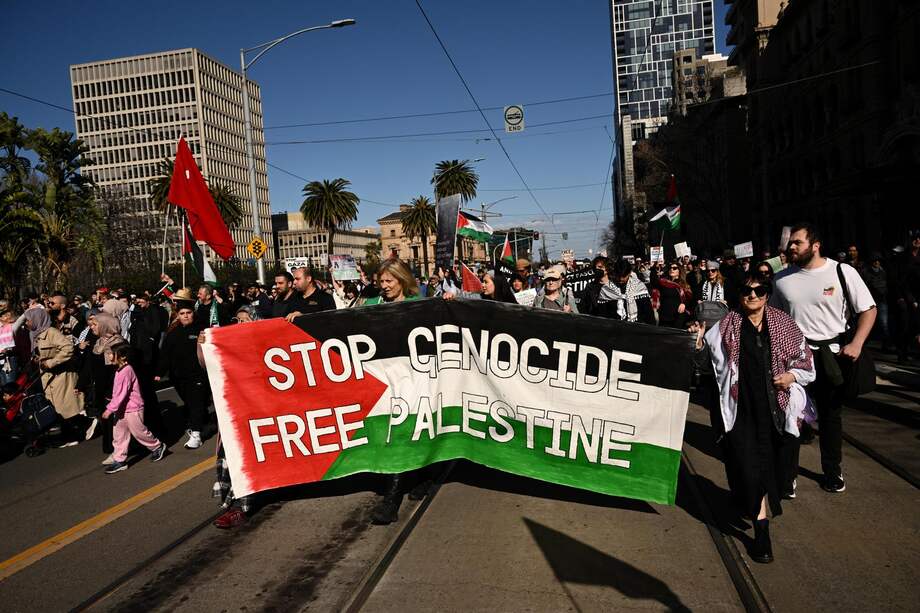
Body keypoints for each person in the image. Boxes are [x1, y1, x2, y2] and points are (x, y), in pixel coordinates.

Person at [700, 274, 816, 564]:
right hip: (740, 411)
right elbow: (706, 364)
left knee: (772, 470)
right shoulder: (725, 326)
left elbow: (806, 363)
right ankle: (762, 531)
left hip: (775, 410)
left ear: (767, 294)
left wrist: (791, 376)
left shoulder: (784, 324)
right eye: (746, 290)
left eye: (759, 290)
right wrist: (698, 342)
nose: (752, 295)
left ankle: (751, 504)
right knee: (750, 469)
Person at [771, 222, 876, 493]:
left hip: (833, 357)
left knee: (830, 416)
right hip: (796, 359)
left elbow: (869, 309)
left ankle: (832, 472)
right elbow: (774, 320)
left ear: (815, 245)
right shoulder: (781, 279)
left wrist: (857, 343)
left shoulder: (842, 271)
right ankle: (788, 476)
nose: (791, 247)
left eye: (798, 242)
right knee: (792, 416)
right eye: (790, 243)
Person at [358, 259, 423, 524]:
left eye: (389, 281)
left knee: (403, 431)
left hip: (413, 379)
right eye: (381, 281)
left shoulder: (419, 305)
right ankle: (417, 477)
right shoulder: (372, 304)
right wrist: (302, 321)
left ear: (402, 280)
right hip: (382, 380)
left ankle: (392, 499)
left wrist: (449, 303)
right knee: (391, 432)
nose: (384, 286)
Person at [29, 308, 91, 445]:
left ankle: (84, 427)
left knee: (65, 408)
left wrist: (51, 362)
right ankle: (70, 435)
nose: (26, 323)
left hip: (61, 376)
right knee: (57, 409)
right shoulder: (36, 335)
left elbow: (68, 348)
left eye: (29, 320)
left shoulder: (51, 332)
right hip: (48, 378)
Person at [101, 344, 166, 473]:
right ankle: (119, 460)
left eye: (112, 353)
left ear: (122, 357)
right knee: (119, 435)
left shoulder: (127, 371)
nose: (109, 356)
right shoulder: (119, 370)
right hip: (121, 410)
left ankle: (157, 446)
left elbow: (121, 393)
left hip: (133, 409)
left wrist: (109, 409)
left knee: (139, 432)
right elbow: (117, 393)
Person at [157, 294, 210, 450]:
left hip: (198, 374)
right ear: (178, 315)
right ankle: (205, 423)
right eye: (182, 313)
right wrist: (159, 372)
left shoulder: (202, 330)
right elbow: (165, 354)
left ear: (193, 313)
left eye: (188, 313)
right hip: (178, 376)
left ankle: (196, 434)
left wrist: (205, 342)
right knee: (190, 402)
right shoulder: (172, 333)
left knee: (195, 402)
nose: (186, 316)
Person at [598, 259, 655, 324]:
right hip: (614, 327)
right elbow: (602, 314)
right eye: (618, 275)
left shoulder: (639, 287)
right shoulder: (606, 289)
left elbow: (648, 312)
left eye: (624, 276)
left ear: (629, 273)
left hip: (637, 327)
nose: (621, 279)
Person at [651, 261, 693, 328]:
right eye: (670, 268)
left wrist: (684, 304)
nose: (671, 269)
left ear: (679, 271)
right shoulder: (663, 282)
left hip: (678, 317)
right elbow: (653, 282)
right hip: (664, 317)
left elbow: (690, 299)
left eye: (674, 268)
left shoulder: (684, 285)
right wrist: (654, 267)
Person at [443, 270, 519, 304]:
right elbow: (465, 296)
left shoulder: (511, 305)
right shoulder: (481, 298)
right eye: (483, 282)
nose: (482, 285)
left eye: (486, 282)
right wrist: (453, 293)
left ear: (497, 283)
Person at [0, 308, 27, 386]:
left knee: (10, 384)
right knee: (3, 385)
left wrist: (31, 308)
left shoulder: (12, 327)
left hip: (9, 359)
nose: (8, 316)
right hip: (1, 360)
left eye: (9, 315)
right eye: (5, 315)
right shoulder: (1, 329)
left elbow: (22, 318)